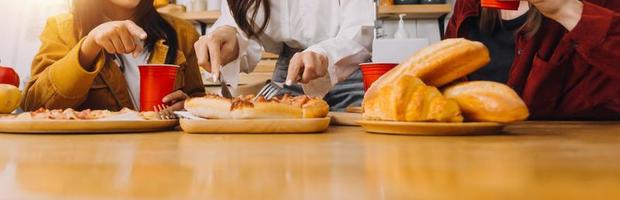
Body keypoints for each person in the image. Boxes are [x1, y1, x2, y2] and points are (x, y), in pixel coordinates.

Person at [446, 0, 620, 120]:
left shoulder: (600, 5)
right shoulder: (468, 6)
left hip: (580, 160)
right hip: (479, 157)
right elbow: (448, 84)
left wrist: (567, 10)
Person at [21, 0, 204, 111]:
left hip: (159, 164)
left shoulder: (183, 33)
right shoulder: (62, 28)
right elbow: (34, 104)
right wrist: (89, 46)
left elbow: (198, 102)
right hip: (94, 166)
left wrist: (189, 107)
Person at [194, 0, 374, 111]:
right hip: (290, 73)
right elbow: (240, 25)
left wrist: (324, 54)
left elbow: (361, 27)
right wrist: (229, 34)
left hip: (346, 67)